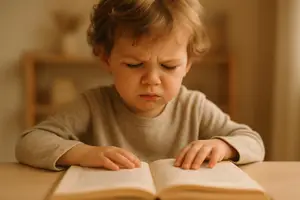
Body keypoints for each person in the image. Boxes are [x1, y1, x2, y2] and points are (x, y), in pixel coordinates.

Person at [15, 0, 265, 171]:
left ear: (188, 64)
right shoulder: (93, 105)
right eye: (134, 65)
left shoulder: (194, 106)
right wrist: (83, 154)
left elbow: (253, 142)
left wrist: (223, 146)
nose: (152, 80)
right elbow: (29, 142)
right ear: (106, 58)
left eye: (169, 66)